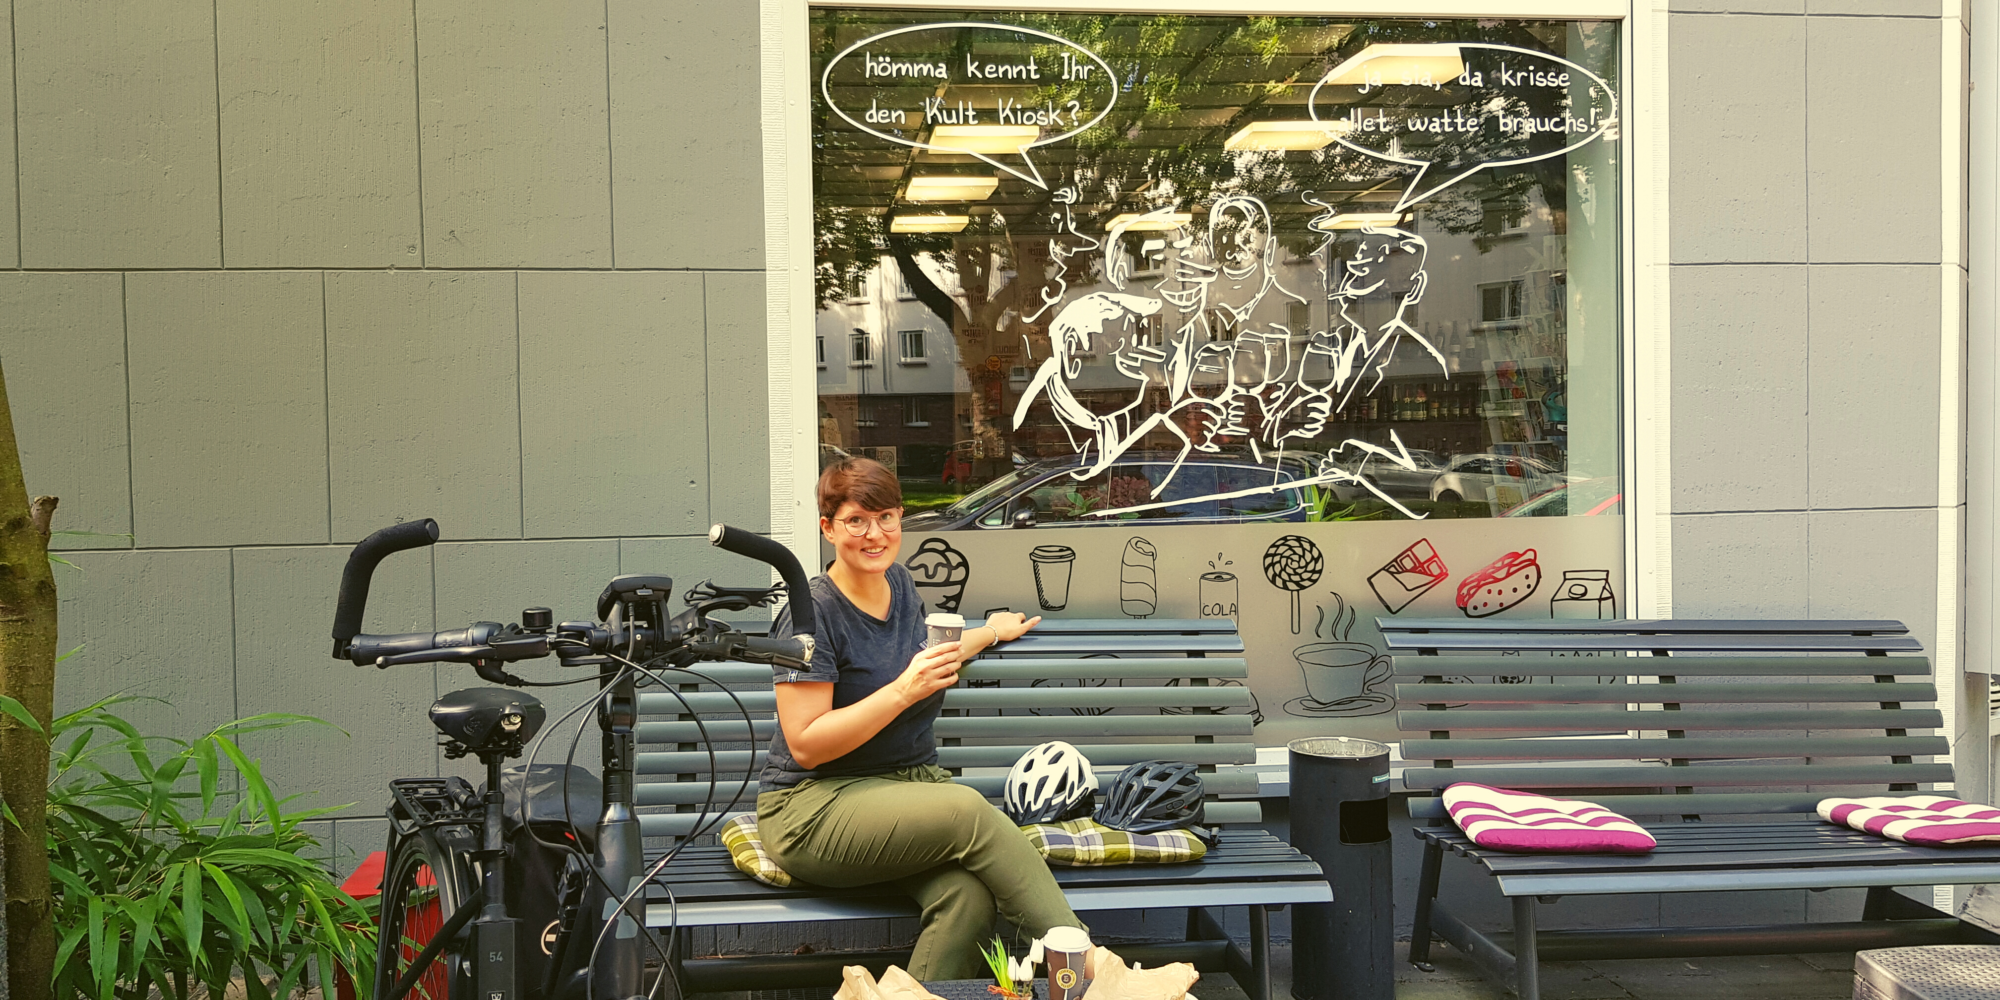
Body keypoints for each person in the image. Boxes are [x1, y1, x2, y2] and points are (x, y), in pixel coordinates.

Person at [759, 457, 1084, 978]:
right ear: (828, 528)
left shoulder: (900, 584)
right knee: (967, 810)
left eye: (887, 517)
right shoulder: (811, 612)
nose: (875, 534)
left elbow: (932, 654)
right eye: (856, 521)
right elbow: (806, 744)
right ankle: (1086, 969)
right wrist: (903, 691)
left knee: (967, 896)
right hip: (812, 807)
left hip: (900, 790)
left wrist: (990, 632)